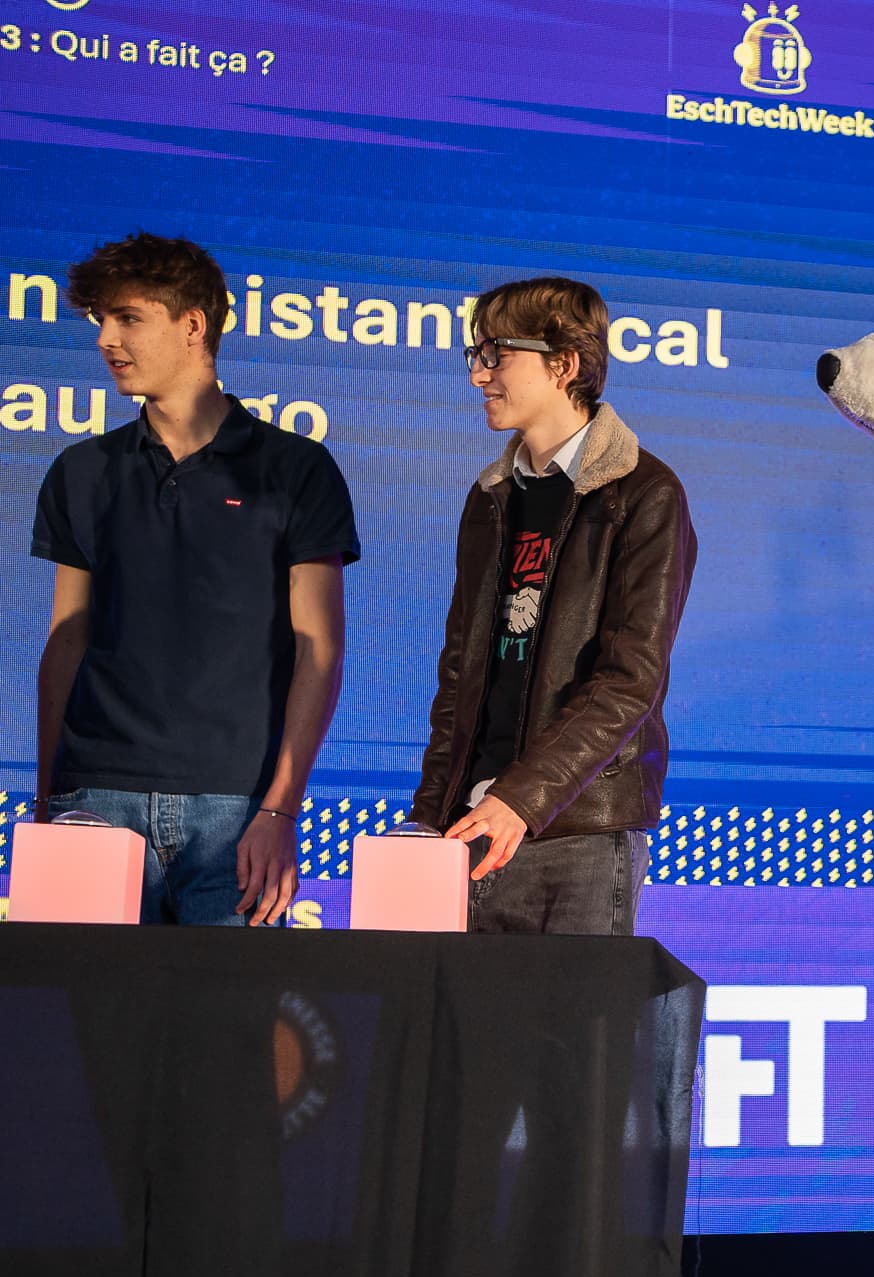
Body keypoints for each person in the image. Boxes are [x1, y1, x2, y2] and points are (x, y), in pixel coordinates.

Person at [30, 232, 355, 925]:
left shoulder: (297, 469)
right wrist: (46, 801)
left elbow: (318, 648)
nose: (106, 339)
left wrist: (281, 808)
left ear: (193, 325)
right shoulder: (80, 471)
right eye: (101, 320)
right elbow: (66, 639)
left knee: (229, 1003)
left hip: (237, 810)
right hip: (93, 800)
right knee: (85, 1001)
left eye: (128, 318)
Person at [412, 277, 696, 934]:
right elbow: (459, 674)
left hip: (580, 833)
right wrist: (429, 816)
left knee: (572, 1006)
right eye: (476, 355)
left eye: (496, 354)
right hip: (472, 825)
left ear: (563, 364)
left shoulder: (644, 493)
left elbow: (630, 681)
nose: (478, 374)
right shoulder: (491, 496)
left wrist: (522, 797)